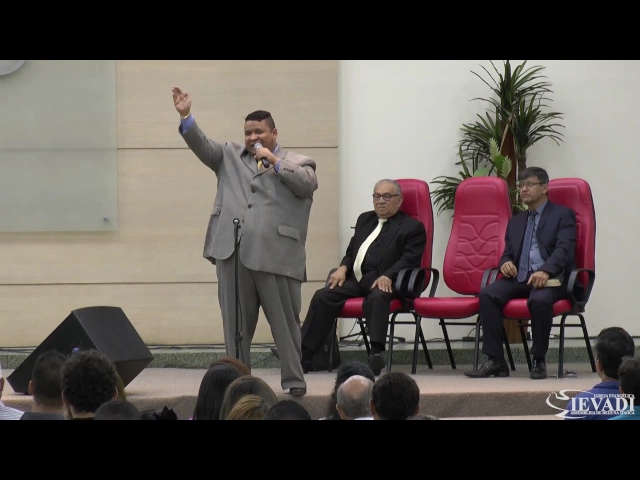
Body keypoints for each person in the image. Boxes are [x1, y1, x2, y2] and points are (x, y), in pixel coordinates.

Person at [172, 86, 318, 396]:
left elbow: (307, 185)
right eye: (248, 132)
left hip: (277, 255)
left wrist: (273, 161)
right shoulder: (229, 155)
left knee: (286, 325)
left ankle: (294, 381)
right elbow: (202, 146)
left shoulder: (298, 161)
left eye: (259, 132)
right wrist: (186, 116)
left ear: (274, 133)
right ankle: (239, 384)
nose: (253, 138)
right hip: (233, 252)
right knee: (235, 327)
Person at [300, 179, 427, 375]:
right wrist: (343, 268)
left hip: (388, 281)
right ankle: (305, 355)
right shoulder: (364, 220)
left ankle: (375, 354)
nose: (381, 201)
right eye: (377, 196)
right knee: (323, 296)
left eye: (387, 196)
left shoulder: (412, 227)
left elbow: (409, 259)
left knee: (377, 297)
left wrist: (388, 276)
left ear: (399, 200)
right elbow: (352, 251)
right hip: (357, 279)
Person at [465, 167, 577, 380]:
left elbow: (564, 250)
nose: (524, 189)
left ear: (544, 187)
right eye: (521, 186)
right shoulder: (516, 221)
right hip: (521, 277)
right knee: (488, 295)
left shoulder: (562, 215)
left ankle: (538, 360)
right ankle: (496, 360)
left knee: (539, 300)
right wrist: (505, 263)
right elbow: (507, 252)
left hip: (552, 278)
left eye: (529, 185)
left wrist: (545, 270)